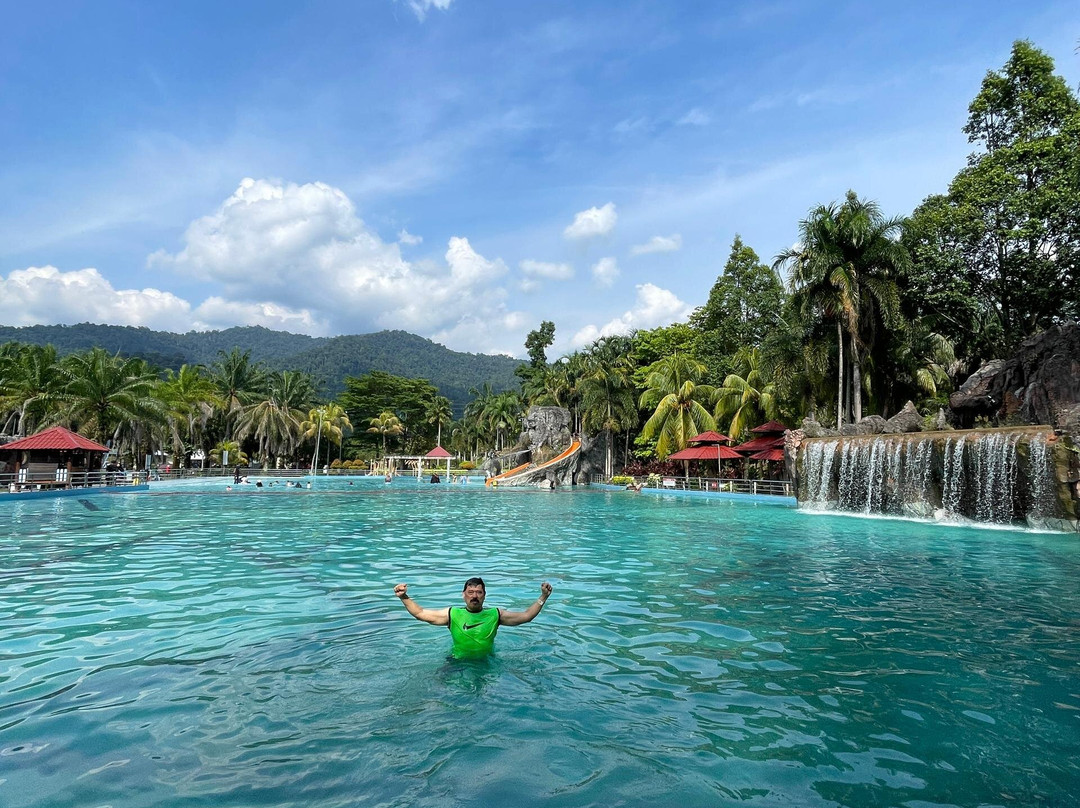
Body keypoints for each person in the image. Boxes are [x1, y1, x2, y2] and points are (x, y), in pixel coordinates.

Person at [394, 577, 552, 658]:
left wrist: (543, 596)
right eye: (470, 593)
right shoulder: (452, 614)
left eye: (479, 593)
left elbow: (526, 616)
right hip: (457, 661)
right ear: (463, 595)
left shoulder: (495, 615)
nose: (474, 596)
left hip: (487, 662)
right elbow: (420, 613)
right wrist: (404, 597)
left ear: (484, 595)